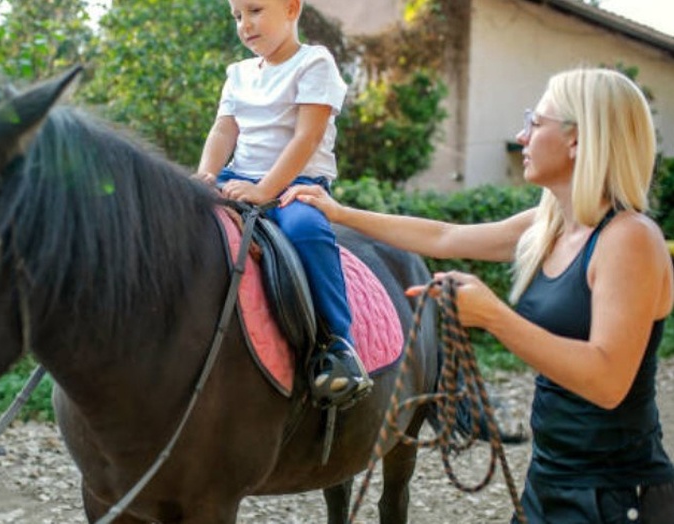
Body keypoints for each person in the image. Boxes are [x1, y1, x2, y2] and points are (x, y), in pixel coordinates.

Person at [281, 67, 674, 523]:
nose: (521, 136)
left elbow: (608, 383)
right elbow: (447, 236)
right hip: (550, 479)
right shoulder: (547, 226)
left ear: (577, 140)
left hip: (615, 494)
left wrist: (493, 317)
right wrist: (338, 212)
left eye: (536, 122)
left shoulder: (630, 240)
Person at [196, 0, 372, 408]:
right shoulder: (237, 74)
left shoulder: (314, 63)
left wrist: (266, 191)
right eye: (237, 16)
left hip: (297, 183)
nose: (245, 24)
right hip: (237, 179)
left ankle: (337, 344)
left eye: (255, 10)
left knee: (305, 231)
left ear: (292, 8)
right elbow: (223, 131)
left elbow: (306, 137)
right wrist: (207, 174)